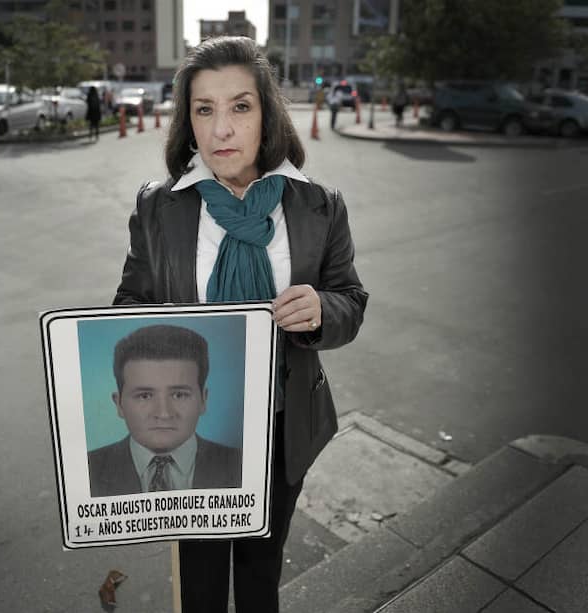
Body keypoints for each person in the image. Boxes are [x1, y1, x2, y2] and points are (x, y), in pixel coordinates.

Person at [113, 36, 367, 613]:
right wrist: (153, 328)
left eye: (240, 107)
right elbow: (130, 300)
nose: (221, 130)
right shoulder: (159, 207)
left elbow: (350, 299)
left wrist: (323, 311)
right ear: (188, 119)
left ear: (267, 113)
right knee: (199, 577)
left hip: (282, 427)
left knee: (260, 573)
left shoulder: (318, 205)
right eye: (204, 109)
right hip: (192, 428)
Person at [87, 324, 242, 497]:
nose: (164, 414)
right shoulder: (86, 470)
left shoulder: (242, 465)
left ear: (203, 400)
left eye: (179, 395)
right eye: (144, 396)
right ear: (119, 404)